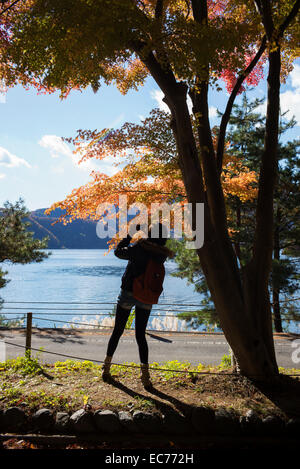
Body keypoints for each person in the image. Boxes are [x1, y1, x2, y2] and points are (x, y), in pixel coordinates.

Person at [102, 223, 174, 389]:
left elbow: (118, 252)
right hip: (147, 295)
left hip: (129, 292)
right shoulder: (161, 255)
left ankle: (106, 368)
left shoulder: (139, 248)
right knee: (140, 335)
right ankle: (145, 376)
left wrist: (129, 235)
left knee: (118, 331)